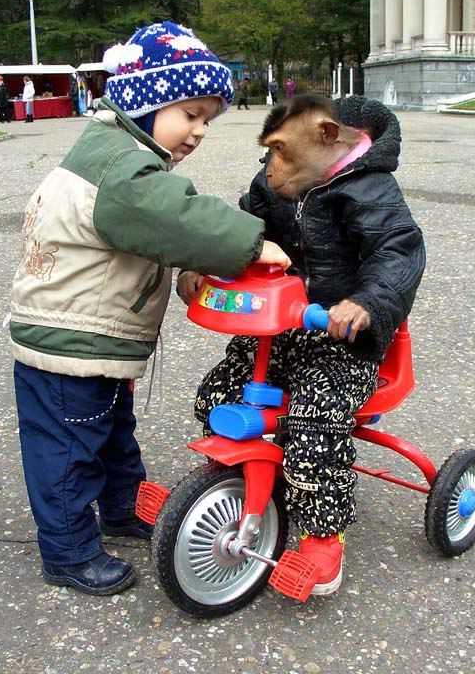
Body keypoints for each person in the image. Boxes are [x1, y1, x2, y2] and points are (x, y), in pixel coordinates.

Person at [9, 20, 290, 597]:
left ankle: (121, 506)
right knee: (68, 450)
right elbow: (178, 218)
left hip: (89, 339)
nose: (200, 130)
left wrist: (186, 271)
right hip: (70, 344)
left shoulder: (118, 156)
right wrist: (250, 241)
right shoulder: (124, 167)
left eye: (208, 119)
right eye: (190, 113)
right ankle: (67, 552)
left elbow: (147, 238)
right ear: (147, 98)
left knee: (112, 433)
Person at [181, 94, 425, 597]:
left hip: (343, 340)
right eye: (268, 153)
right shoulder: (272, 188)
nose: (271, 168)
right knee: (217, 395)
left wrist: (366, 303)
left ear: (327, 139)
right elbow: (242, 231)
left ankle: (322, 535)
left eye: (280, 153)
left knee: (313, 425)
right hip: (279, 330)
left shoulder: (370, 188)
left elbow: (397, 250)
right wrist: (202, 264)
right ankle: (250, 476)